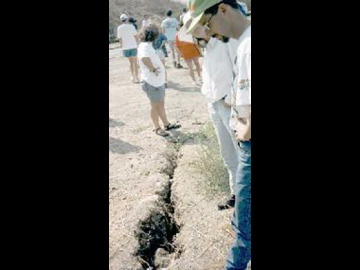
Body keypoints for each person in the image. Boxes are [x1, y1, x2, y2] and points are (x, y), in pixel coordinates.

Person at [187, 0, 251, 269]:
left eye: (208, 21)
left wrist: (245, 127)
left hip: (243, 126)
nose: (207, 29)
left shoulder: (243, 43)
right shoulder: (237, 39)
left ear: (223, 8)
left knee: (244, 232)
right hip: (229, 107)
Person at [187, 22, 239, 209]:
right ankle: (236, 194)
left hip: (229, 104)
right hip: (214, 104)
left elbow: (240, 70)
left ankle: (244, 197)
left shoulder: (227, 41)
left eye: (196, 28)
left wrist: (231, 98)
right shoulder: (207, 45)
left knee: (242, 152)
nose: (194, 34)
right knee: (227, 153)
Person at [137, 24, 181, 137]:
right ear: (153, 35)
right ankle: (157, 127)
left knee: (160, 104)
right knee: (155, 106)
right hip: (152, 82)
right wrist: (153, 69)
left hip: (156, 82)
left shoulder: (146, 45)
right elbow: (144, 58)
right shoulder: (145, 46)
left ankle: (166, 124)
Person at [175, 12, 202, 85]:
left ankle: (194, 80)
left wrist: (180, 53)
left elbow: (177, 45)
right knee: (197, 64)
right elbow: (196, 41)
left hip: (185, 51)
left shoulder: (178, 34)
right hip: (192, 49)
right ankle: (199, 78)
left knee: (191, 67)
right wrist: (199, 50)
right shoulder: (190, 31)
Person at [117, 14, 140, 83]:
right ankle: (137, 78)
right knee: (135, 63)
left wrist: (122, 47)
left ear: (121, 20)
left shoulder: (119, 28)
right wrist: (138, 43)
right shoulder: (131, 26)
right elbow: (136, 36)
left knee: (130, 63)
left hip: (126, 47)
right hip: (133, 46)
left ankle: (132, 77)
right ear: (127, 19)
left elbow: (120, 39)